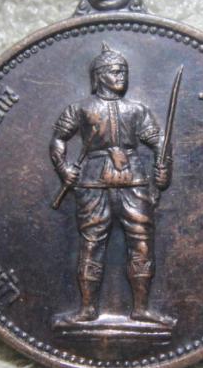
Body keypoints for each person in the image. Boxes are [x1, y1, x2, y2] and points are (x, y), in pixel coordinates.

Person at [50, 43, 173, 325]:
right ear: (99, 75)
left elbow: (158, 142)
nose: (121, 77)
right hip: (93, 181)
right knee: (92, 241)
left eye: (123, 72)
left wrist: (164, 168)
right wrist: (63, 168)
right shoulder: (80, 108)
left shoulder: (137, 110)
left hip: (134, 180)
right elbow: (58, 139)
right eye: (114, 71)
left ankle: (141, 308)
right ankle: (87, 309)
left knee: (141, 241)